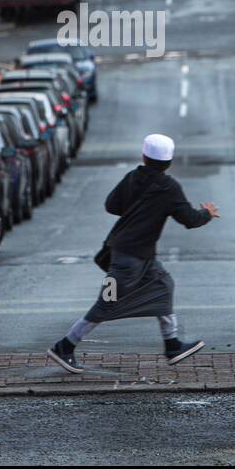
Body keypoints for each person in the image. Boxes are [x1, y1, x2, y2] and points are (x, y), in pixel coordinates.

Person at [48, 134, 219, 373]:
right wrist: (207, 213)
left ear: (144, 156)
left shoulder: (132, 177)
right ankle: (64, 346)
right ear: (169, 162)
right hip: (129, 257)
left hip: (136, 253)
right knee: (106, 304)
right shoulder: (169, 187)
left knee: (163, 286)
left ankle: (172, 345)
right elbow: (189, 220)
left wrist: (137, 210)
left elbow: (111, 205)